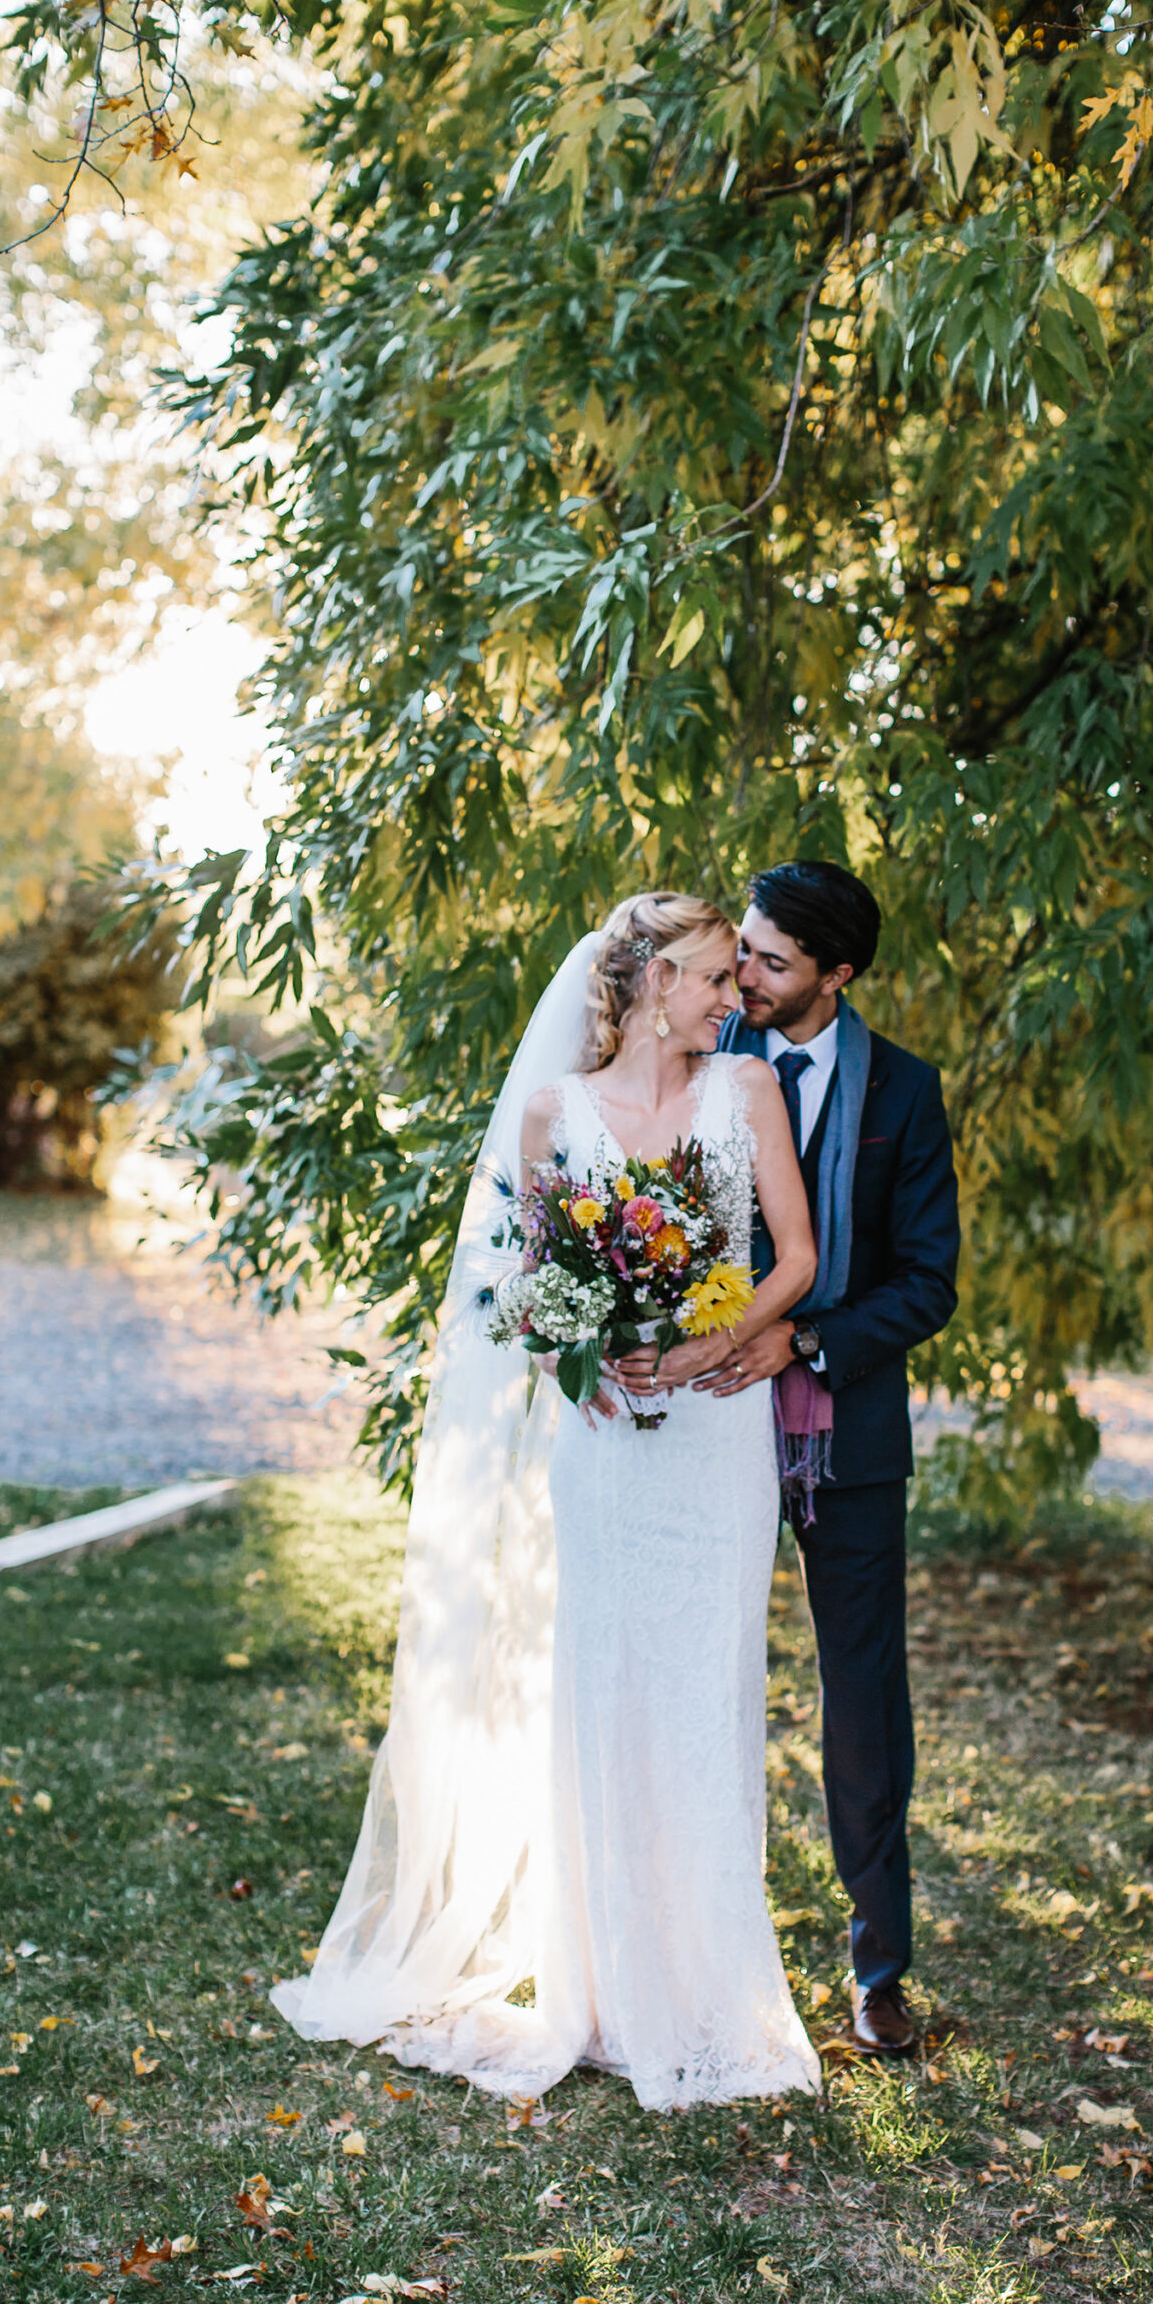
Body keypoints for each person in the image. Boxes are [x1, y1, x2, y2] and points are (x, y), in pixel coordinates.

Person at [273, 892, 823, 2111]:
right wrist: (580, 1361)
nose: (733, 998)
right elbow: (524, 1292)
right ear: (644, 983)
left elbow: (796, 1259)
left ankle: (710, 1990)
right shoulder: (548, 1116)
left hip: (716, 1432)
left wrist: (693, 1345)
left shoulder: (747, 1096)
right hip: (610, 1448)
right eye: (712, 977)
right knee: (611, 1687)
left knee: (709, 1686)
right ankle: (603, 1988)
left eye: (738, 979)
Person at [615, 861, 960, 2058]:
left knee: (863, 1698)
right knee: (684, 1676)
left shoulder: (904, 1092)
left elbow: (929, 1282)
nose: (746, 975)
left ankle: (878, 1968)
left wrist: (799, 1337)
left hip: (845, 1436)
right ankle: (668, 1947)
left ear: (837, 974)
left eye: (769, 960)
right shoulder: (696, 1065)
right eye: (741, 953)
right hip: (702, 1431)